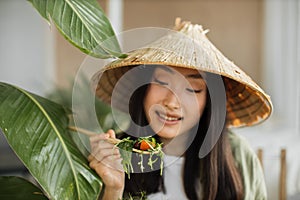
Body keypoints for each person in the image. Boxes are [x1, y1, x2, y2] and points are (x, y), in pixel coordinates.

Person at [88, 18, 272, 200]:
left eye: (192, 89)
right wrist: (113, 190)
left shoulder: (236, 154)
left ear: (209, 101)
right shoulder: (114, 156)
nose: (172, 103)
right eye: (161, 82)